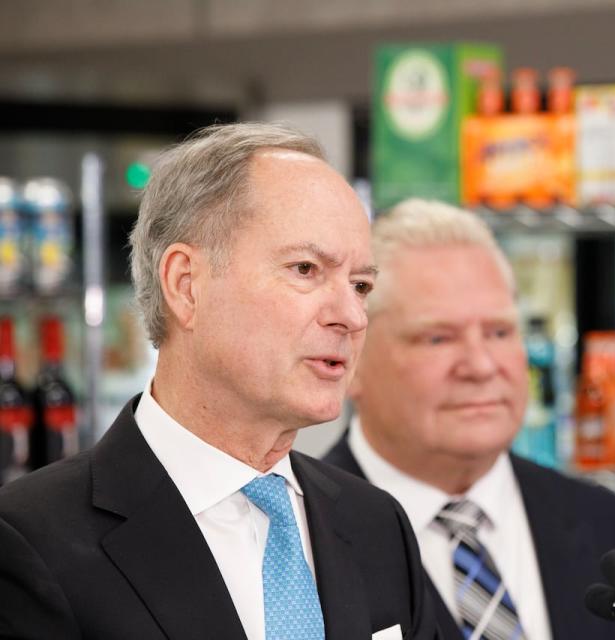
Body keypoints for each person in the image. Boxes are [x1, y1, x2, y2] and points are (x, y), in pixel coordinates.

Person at [0, 123, 437, 640]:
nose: (352, 315)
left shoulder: (377, 526)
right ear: (186, 286)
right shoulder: (29, 541)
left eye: (360, 285)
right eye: (305, 269)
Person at [323, 198, 615, 640]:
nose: (480, 365)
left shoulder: (614, 529)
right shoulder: (301, 538)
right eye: (438, 338)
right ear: (353, 358)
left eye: (499, 332)